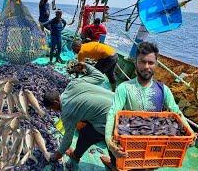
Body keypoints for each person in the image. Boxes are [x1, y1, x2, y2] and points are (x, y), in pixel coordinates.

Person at [103, 42, 196, 170]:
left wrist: (189, 133)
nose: (146, 66)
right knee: (122, 166)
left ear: (156, 64)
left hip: (154, 150)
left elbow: (176, 111)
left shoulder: (164, 90)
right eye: (142, 61)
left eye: (151, 63)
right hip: (129, 147)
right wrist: (109, 142)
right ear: (135, 62)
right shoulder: (124, 88)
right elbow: (113, 112)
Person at [45, 62, 114, 170]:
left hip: (114, 121)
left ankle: (76, 155)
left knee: (86, 133)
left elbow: (68, 138)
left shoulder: (66, 112)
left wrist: (56, 155)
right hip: (121, 103)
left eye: (52, 108)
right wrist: (86, 65)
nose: (54, 111)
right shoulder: (74, 83)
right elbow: (100, 77)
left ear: (55, 103)